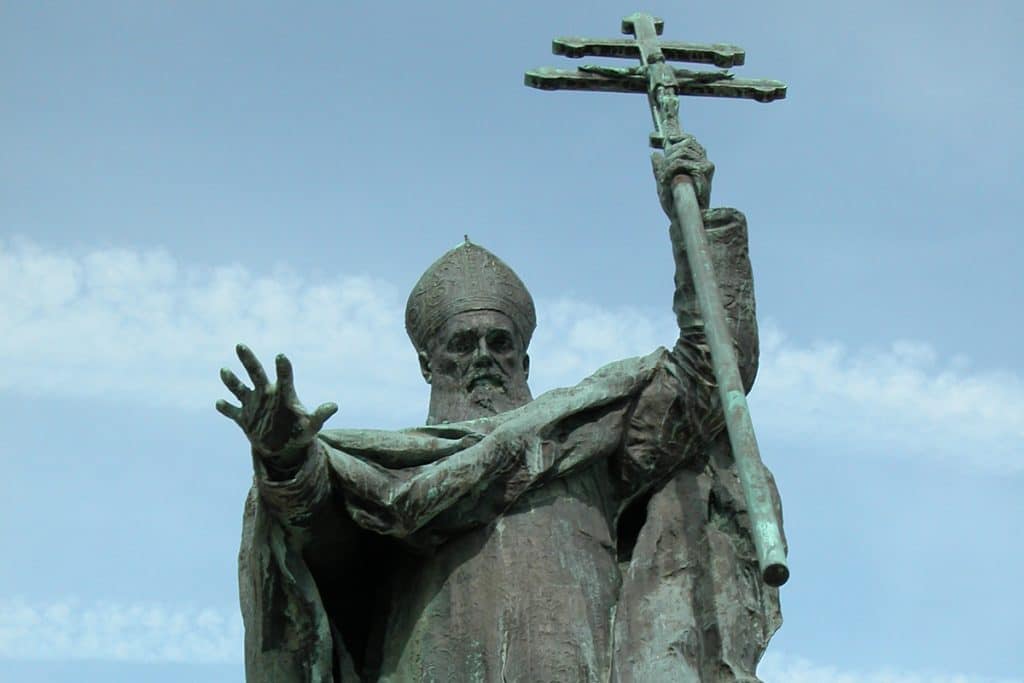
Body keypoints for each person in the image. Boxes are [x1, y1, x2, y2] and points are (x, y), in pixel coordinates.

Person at [218, 138, 784, 682]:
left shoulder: (583, 444)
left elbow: (710, 375)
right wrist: (286, 462)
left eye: (499, 341)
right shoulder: (388, 475)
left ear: (526, 357)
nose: (483, 356)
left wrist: (699, 233)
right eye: (462, 344)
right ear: (427, 363)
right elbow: (321, 543)